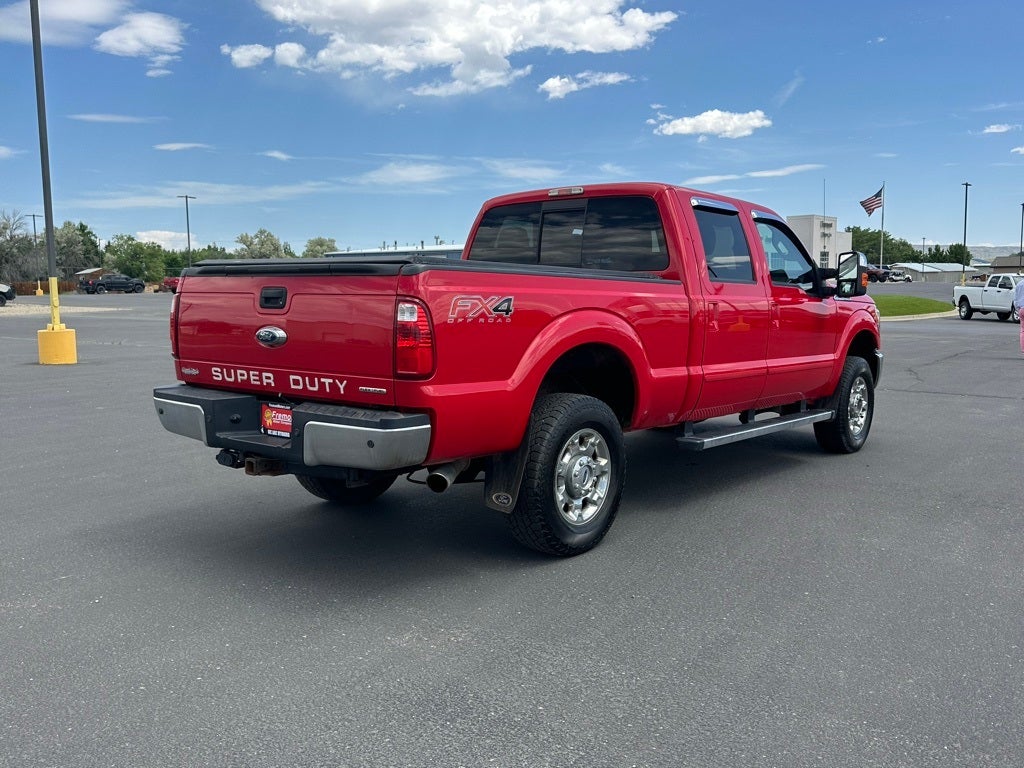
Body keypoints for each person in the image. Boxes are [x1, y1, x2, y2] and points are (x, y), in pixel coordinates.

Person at [1015, 277, 1024, 355]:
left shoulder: (1019, 284)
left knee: (1023, 330)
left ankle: (1023, 349)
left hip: (1021, 309)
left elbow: (1015, 300)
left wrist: (1017, 309)